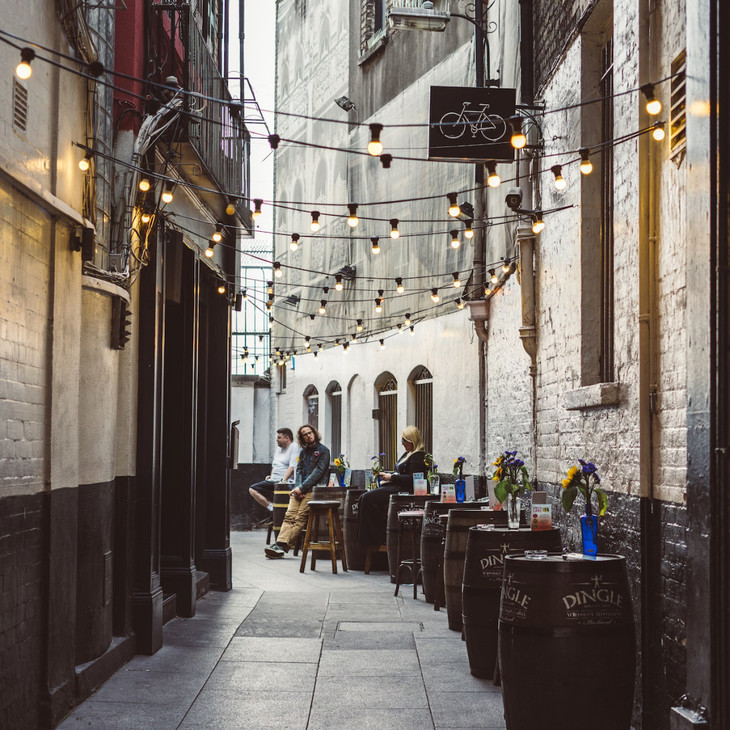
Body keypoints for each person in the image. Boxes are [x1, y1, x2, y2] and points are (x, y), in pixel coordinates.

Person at [265, 425, 330, 558]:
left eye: (310, 433)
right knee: (289, 515)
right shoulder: (303, 452)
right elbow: (298, 470)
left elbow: (318, 473)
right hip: (300, 489)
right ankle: (280, 544)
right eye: (305, 434)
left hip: (313, 490)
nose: (308, 436)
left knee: (300, 517)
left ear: (314, 433)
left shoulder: (323, 451)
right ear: (302, 438)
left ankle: (281, 546)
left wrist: (301, 488)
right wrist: (298, 487)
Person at [357, 425, 428, 548]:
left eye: (404, 440)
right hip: (397, 486)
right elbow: (400, 474)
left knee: (367, 498)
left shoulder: (418, 456)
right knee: (363, 497)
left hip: (404, 490)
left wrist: (391, 478)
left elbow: (413, 479)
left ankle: (374, 538)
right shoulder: (408, 454)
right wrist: (388, 478)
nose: (402, 443)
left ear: (411, 440)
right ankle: (367, 539)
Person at [249, 428, 300, 515]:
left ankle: (276, 511)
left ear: (287, 438)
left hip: (285, 482)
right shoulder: (278, 449)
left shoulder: (294, 447)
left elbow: (292, 468)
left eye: (279, 437)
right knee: (253, 489)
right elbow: (275, 465)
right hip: (274, 480)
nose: (277, 440)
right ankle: (272, 508)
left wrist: (282, 481)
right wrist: (271, 477)